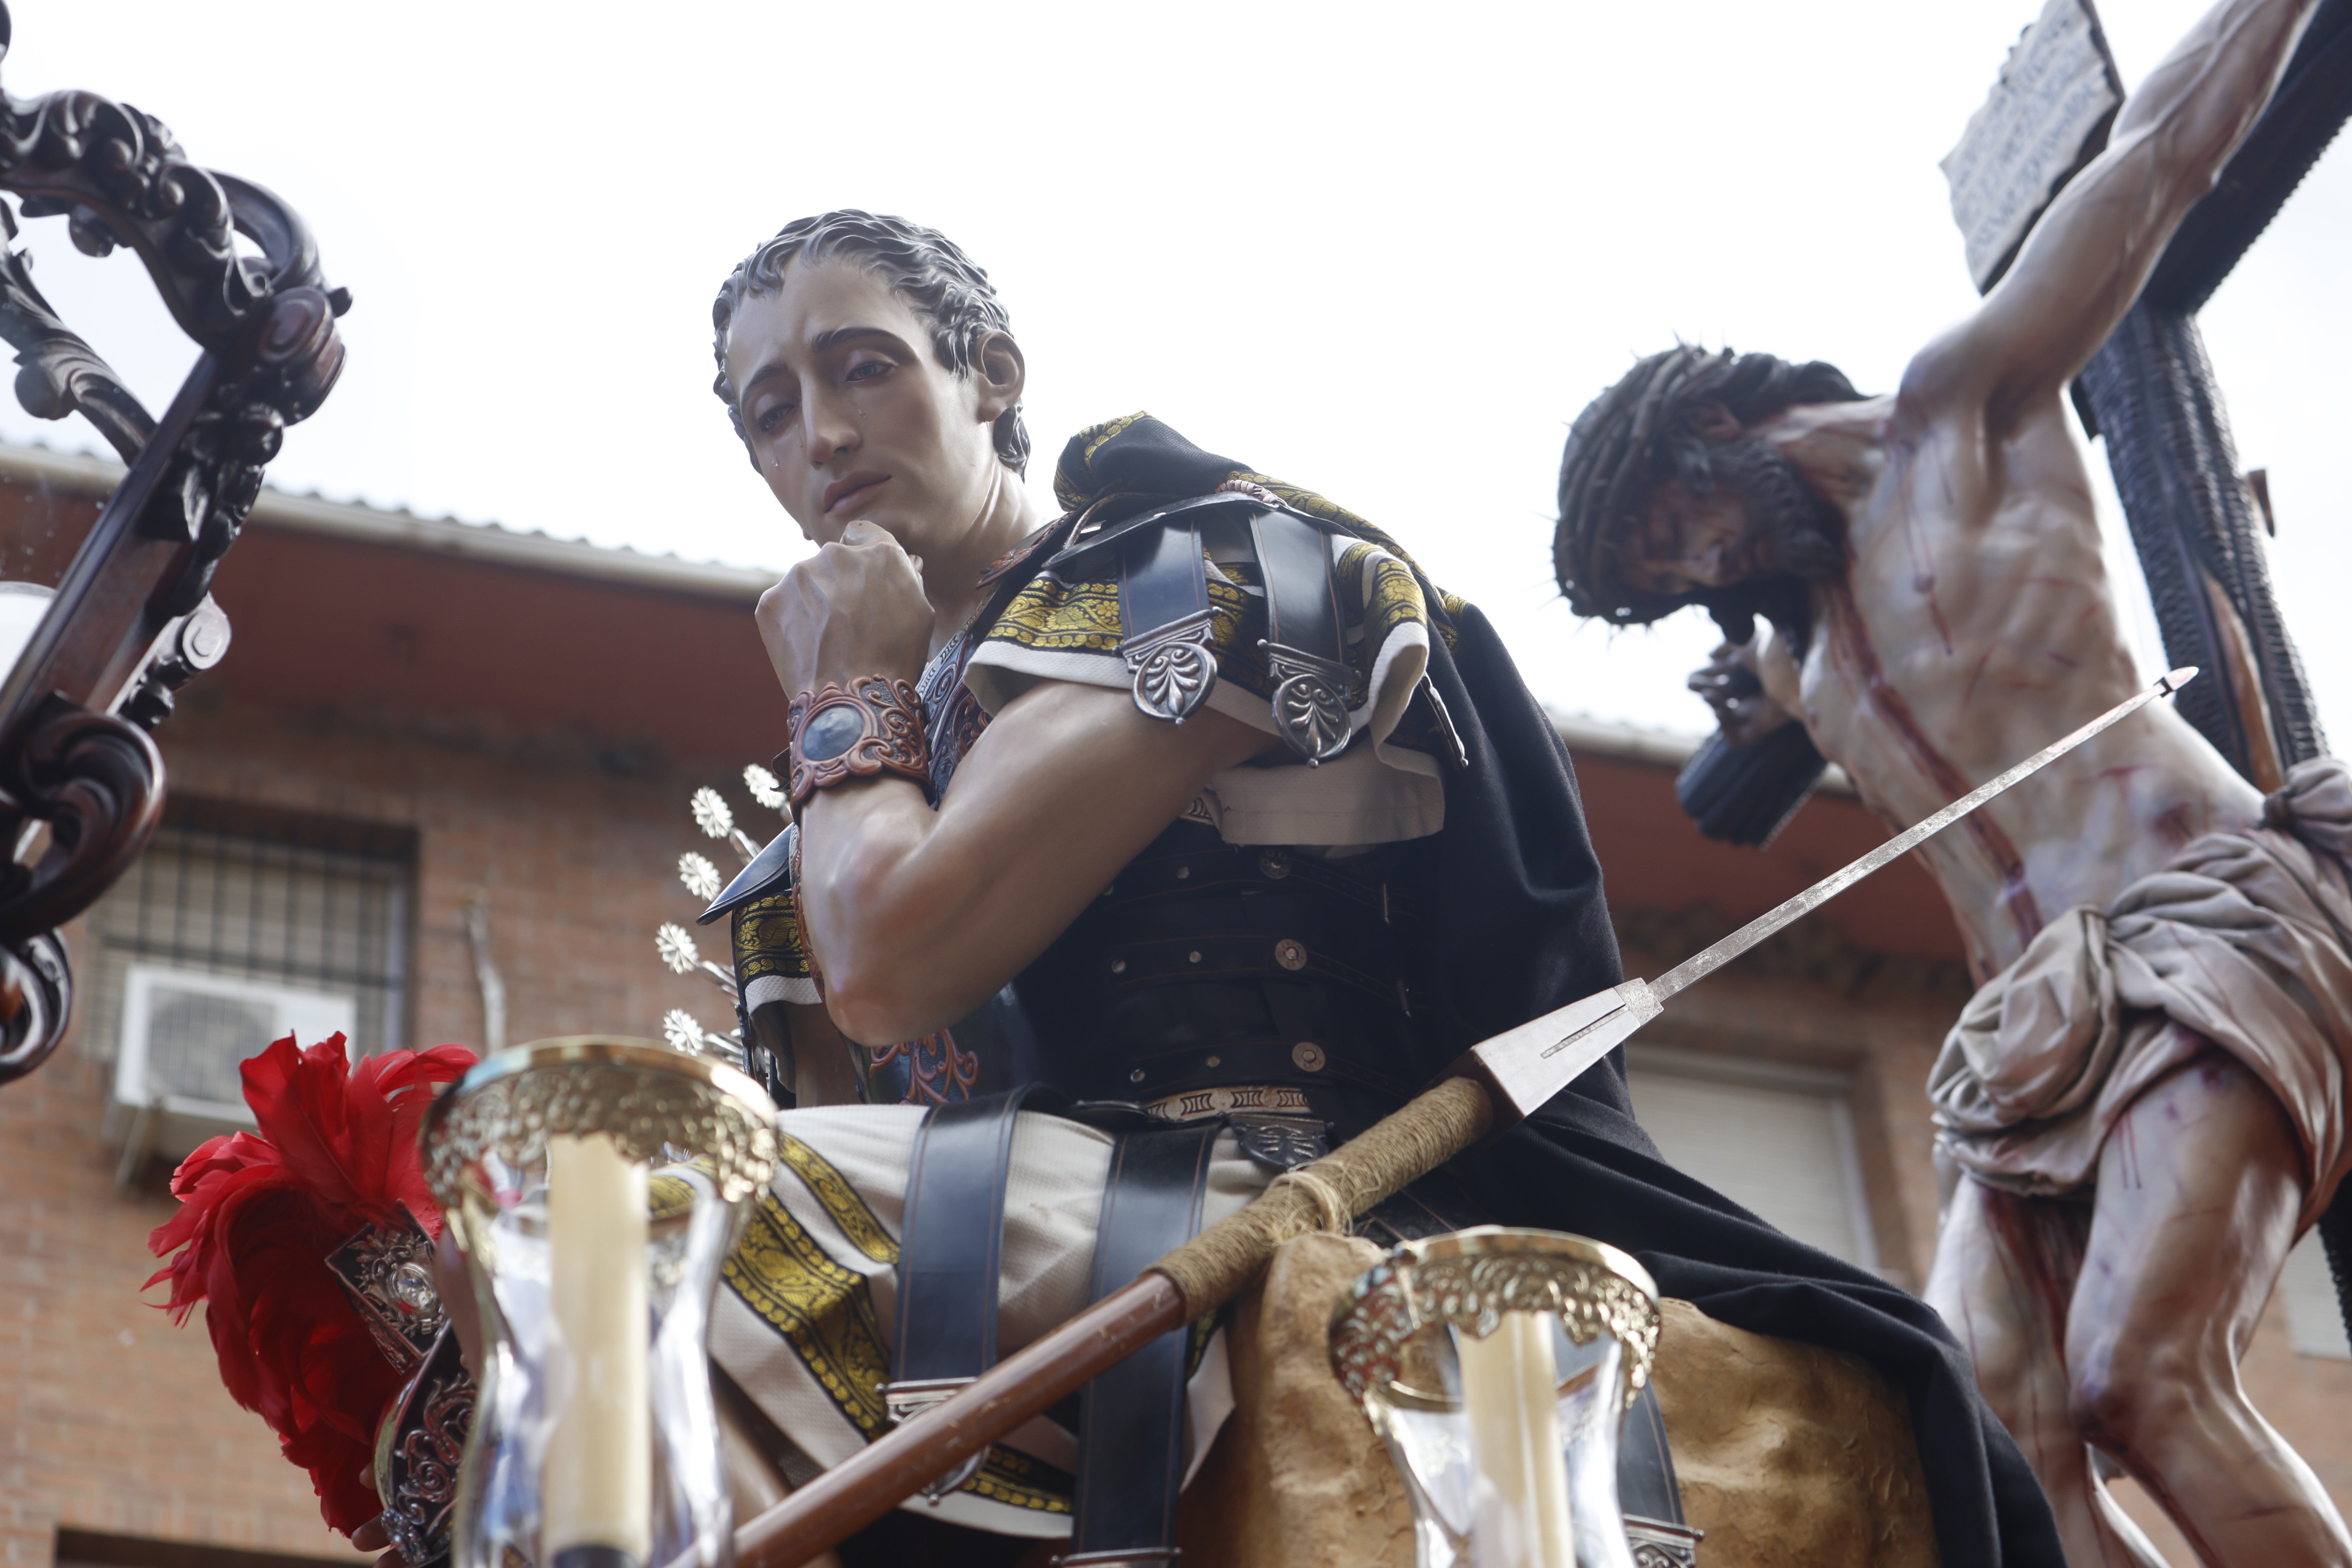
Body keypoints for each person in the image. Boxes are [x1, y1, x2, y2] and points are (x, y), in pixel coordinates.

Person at [704, 209, 2063, 1566]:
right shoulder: (841, 812)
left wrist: (845, 692)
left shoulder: (1184, 571)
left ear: (991, 374)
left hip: (1262, 1187)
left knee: (674, 1206)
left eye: (864, 367)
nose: (823, 434)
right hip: (983, 1249)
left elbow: (889, 963)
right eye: (772, 412)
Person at [1550, 2, 2349, 1563]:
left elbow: (2159, 154)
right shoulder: (1807, 654)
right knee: (1980, 1442)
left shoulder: (1965, 412)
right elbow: (1754, 745)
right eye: (1668, 581)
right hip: (2023, 1043)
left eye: (1675, 533)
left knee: (2140, 1374)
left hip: (2201, 927)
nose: (1699, 572)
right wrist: (1763, 709)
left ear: (1712, 428)